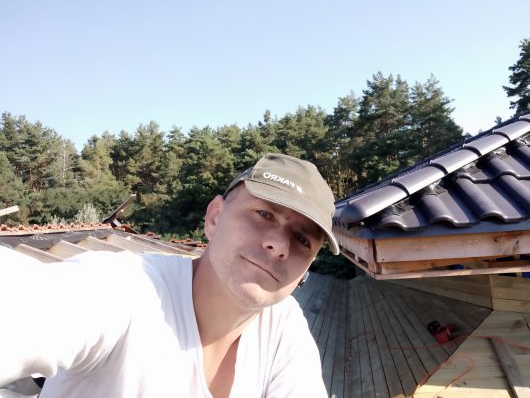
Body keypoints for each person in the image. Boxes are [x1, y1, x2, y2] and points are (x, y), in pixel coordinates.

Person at [0, 153, 340, 398]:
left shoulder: (283, 325)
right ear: (215, 217)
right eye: (264, 214)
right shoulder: (130, 289)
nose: (280, 246)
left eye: (302, 240)